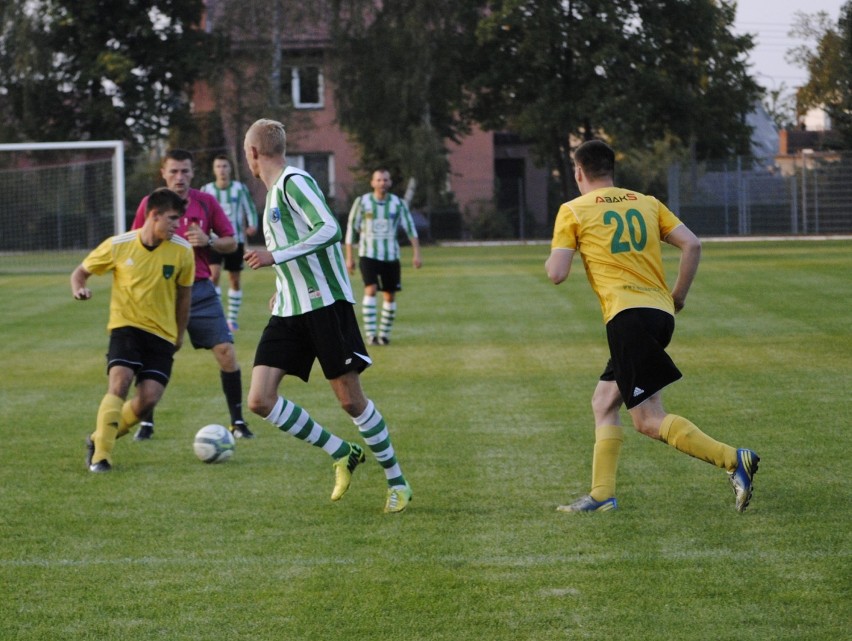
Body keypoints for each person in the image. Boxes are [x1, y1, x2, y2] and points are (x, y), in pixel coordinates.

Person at [545, 139, 759, 513]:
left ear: (579, 172)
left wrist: (558, 257)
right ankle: (601, 495)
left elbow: (557, 274)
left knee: (647, 420)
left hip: (626, 317)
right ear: (612, 170)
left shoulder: (573, 210)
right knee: (603, 402)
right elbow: (691, 245)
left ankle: (732, 459)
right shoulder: (645, 201)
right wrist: (678, 296)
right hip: (659, 314)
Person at [242, 118, 412, 513]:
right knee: (259, 399)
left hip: (325, 306)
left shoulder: (293, 182)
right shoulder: (273, 195)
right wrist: (282, 285)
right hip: (290, 308)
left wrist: (274, 257)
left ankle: (397, 482)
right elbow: (302, 250)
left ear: (252, 153)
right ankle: (341, 451)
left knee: (350, 402)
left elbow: (329, 229)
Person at [131, 149, 254, 440]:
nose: (179, 177)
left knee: (226, 351)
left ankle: (237, 422)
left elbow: (230, 242)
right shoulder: (150, 205)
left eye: (185, 171)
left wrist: (209, 239)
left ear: (193, 173)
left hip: (199, 289)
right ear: (162, 173)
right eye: (173, 171)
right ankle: (146, 423)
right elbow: (135, 243)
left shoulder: (206, 202)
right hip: (160, 290)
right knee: (153, 354)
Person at [72, 188, 195, 472]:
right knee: (120, 381)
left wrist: (179, 334)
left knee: (148, 400)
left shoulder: (182, 251)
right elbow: (80, 272)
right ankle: (101, 456)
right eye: (173, 219)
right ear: (154, 216)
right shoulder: (119, 245)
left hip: (162, 335)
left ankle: (97, 438)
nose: (178, 226)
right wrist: (79, 289)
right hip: (125, 327)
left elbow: (184, 296)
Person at [345, 168, 422, 345]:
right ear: (372, 183)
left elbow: (410, 228)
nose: (382, 183)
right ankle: (371, 335)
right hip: (368, 254)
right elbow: (351, 229)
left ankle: (384, 334)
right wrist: (349, 258)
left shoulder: (398, 203)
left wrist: (416, 253)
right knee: (370, 290)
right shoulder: (362, 202)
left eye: (385, 180)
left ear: (390, 182)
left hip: (391, 256)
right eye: (378, 180)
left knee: (389, 295)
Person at [201, 154, 259, 332]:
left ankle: (231, 320)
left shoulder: (239, 188)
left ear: (229, 169)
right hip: (213, 240)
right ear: (214, 169)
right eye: (218, 166)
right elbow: (202, 212)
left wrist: (252, 224)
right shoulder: (207, 190)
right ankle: (217, 316)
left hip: (235, 240)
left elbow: (249, 207)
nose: (222, 170)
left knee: (234, 279)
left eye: (224, 166)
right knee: (214, 276)